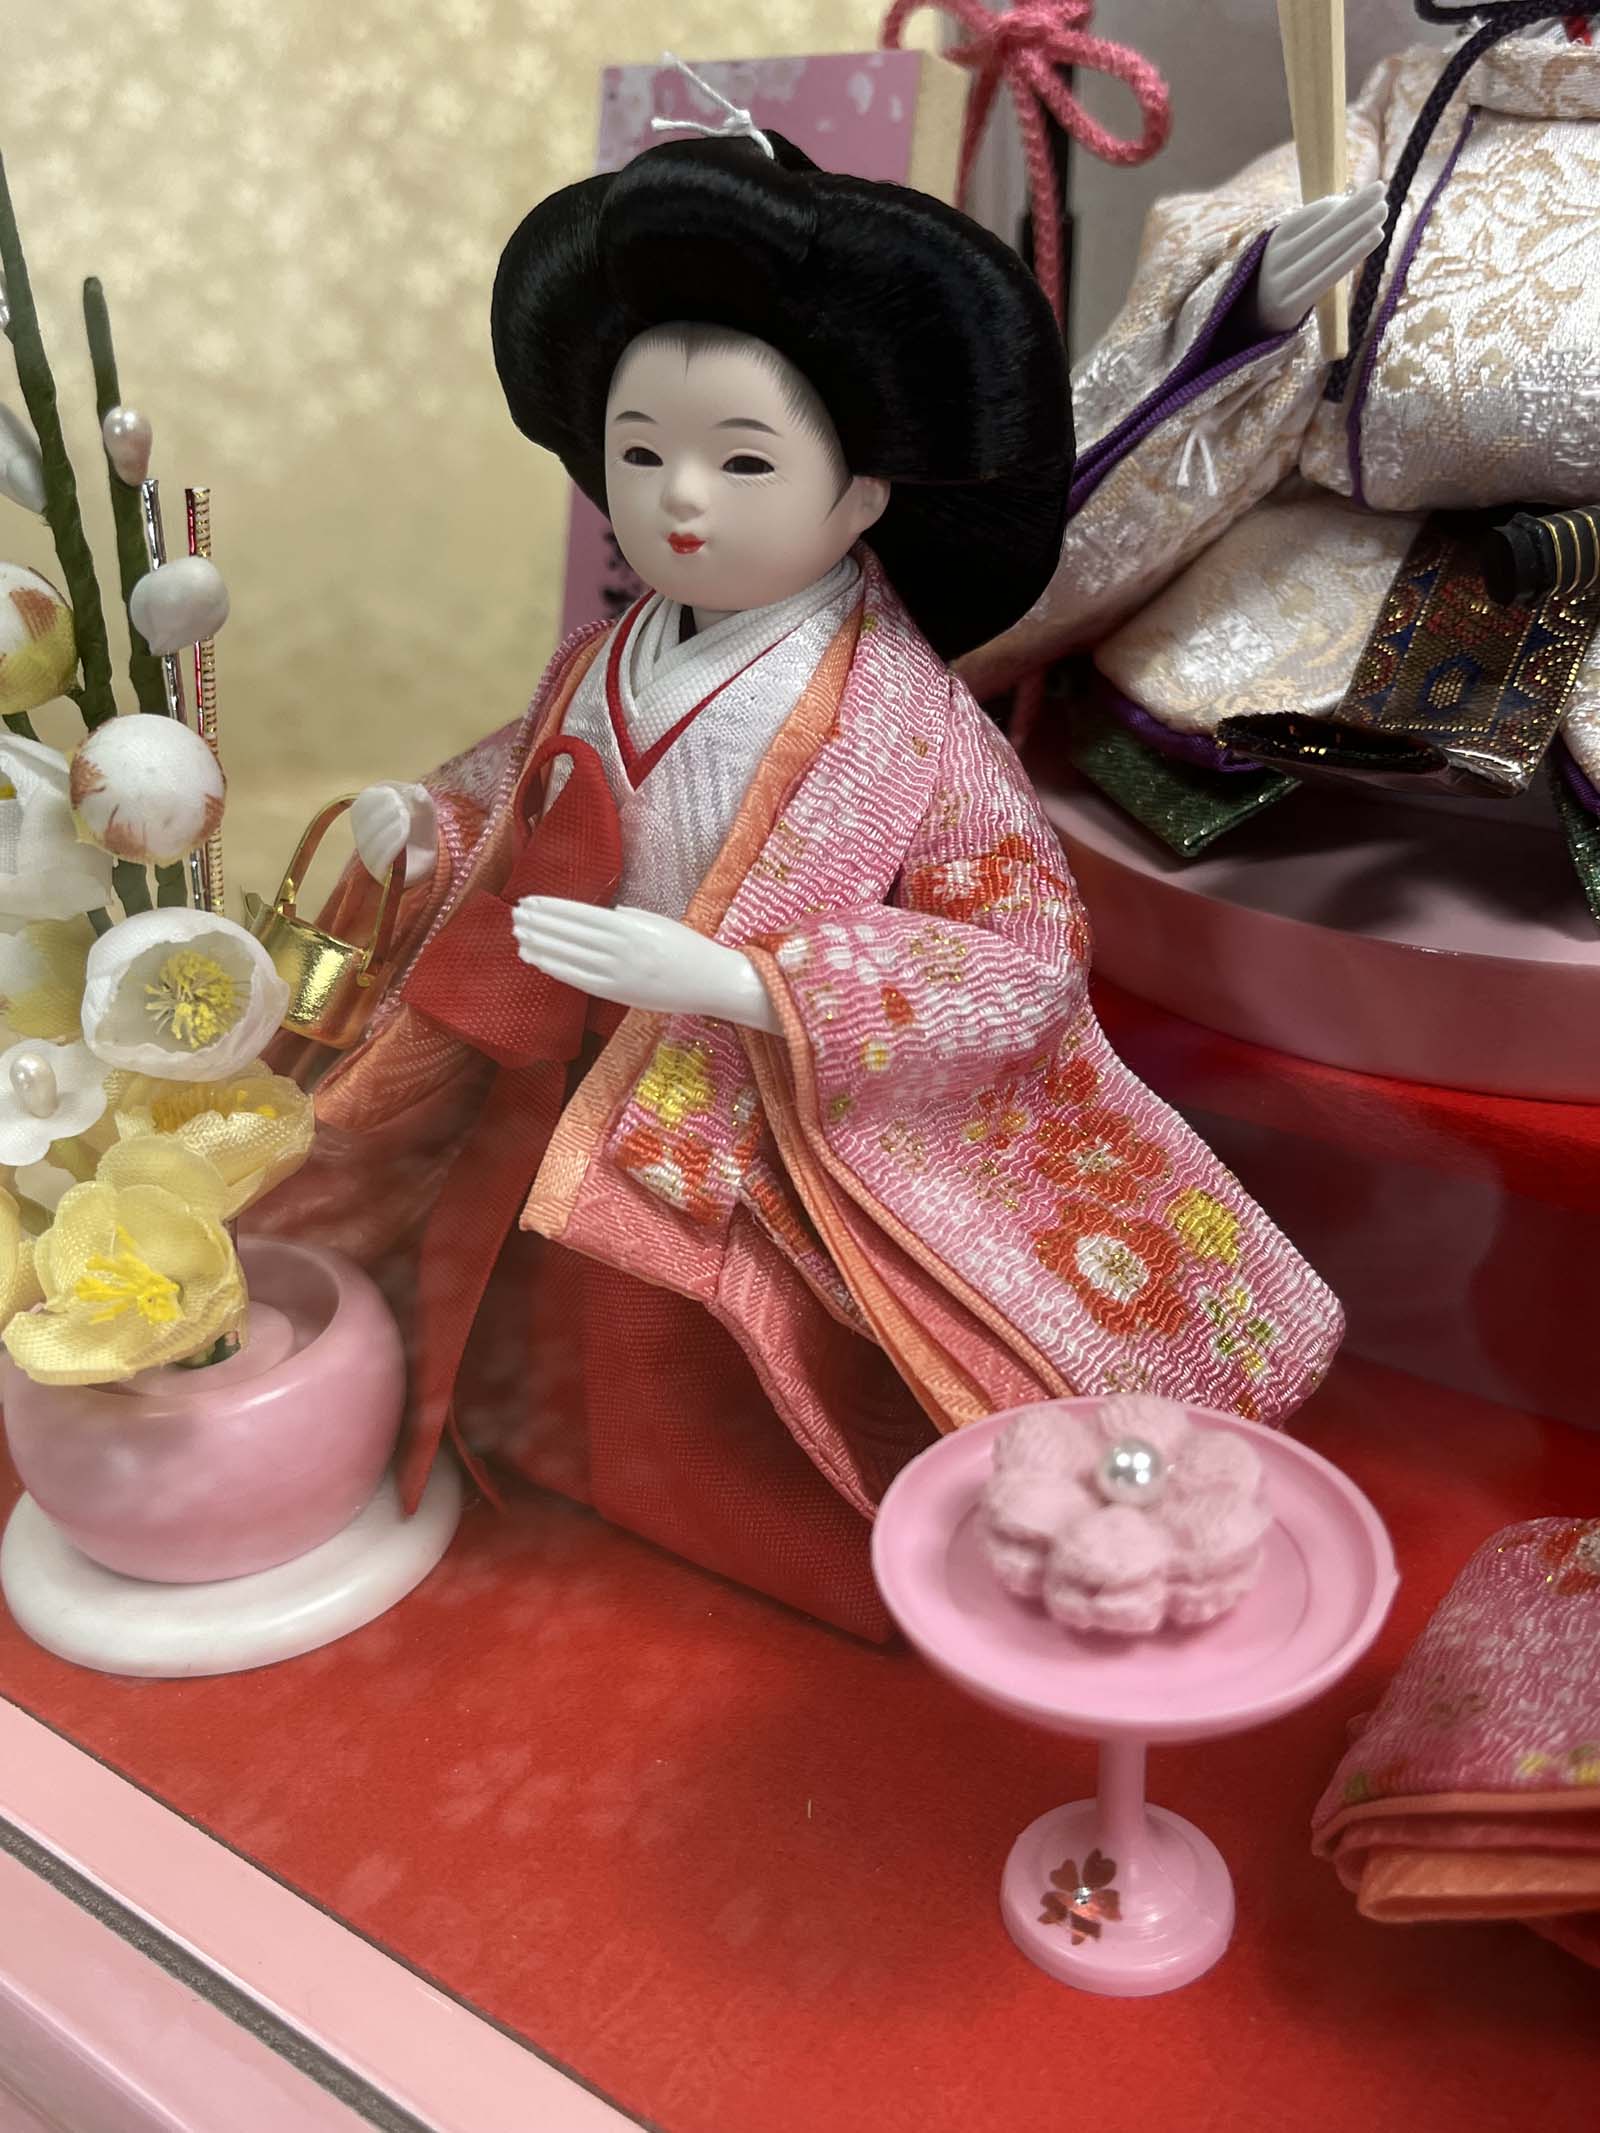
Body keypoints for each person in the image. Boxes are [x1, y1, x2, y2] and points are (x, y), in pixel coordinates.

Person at [253, 119, 1342, 1639]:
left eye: (744, 459)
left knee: (723, 1359)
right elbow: (516, 786)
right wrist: (427, 829)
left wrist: (750, 983)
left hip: (754, 1101)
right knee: (539, 1307)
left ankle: (796, 1554)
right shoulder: (609, 656)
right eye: (641, 453)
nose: (679, 500)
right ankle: (550, 1464)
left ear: (867, 489)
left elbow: (1025, 943)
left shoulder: (907, 716)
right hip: (572, 1065)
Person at [960, 4, 1600, 905]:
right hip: (1351, 542)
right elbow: (1275, 198)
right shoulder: (1418, 95)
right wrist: (1255, 293)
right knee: (1220, 683)